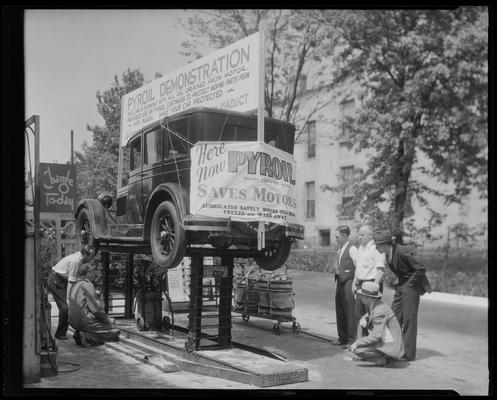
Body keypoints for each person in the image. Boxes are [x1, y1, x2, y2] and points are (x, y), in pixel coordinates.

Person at [373, 228, 432, 361]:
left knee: (409, 320)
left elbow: (420, 268)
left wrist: (410, 284)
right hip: (401, 286)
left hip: (411, 287)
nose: (376, 249)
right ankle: (393, 349)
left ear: (384, 244)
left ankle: (408, 354)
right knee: (393, 317)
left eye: (377, 246)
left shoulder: (402, 251)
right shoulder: (388, 253)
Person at [348, 281, 405, 366]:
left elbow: (375, 336)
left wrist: (357, 343)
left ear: (369, 297)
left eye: (362, 295)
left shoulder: (379, 311)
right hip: (384, 340)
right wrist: (364, 318)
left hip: (390, 346)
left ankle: (383, 359)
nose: (360, 297)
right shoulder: (376, 304)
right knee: (361, 324)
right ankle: (376, 356)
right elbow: (370, 314)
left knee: (357, 350)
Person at [46, 245, 95, 340]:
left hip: (63, 280)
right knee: (65, 307)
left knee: (77, 305)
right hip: (56, 281)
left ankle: (78, 331)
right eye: (91, 255)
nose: (92, 257)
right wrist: (68, 299)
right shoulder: (76, 261)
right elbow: (71, 281)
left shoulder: (81, 259)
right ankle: (60, 334)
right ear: (85, 254)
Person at [68, 262, 120, 347]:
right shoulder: (88, 285)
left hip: (72, 320)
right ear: (88, 274)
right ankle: (87, 336)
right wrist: (107, 320)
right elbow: (95, 309)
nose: (95, 273)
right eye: (93, 271)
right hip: (82, 320)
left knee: (102, 324)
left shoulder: (76, 284)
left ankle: (81, 333)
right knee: (114, 330)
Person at [351, 224, 386, 339]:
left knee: (371, 317)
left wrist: (373, 288)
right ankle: (359, 344)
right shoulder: (360, 248)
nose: (359, 237)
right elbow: (359, 268)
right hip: (361, 285)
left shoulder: (376, 249)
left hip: (371, 285)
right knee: (358, 316)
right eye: (359, 234)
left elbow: (380, 270)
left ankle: (372, 346)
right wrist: (354, 282)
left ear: (370, 236)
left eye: (362, 235)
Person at [331, 225, 357, 347]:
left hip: (348, 282)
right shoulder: (340, 249)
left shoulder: (352, 249)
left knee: (349, 311)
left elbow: (358, 266)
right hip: (340, 282)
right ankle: (342, 338)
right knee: (340, 310)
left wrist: (355, 284)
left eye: (337, 237)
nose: (336, 239)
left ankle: (351, 340)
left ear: (345, 236)